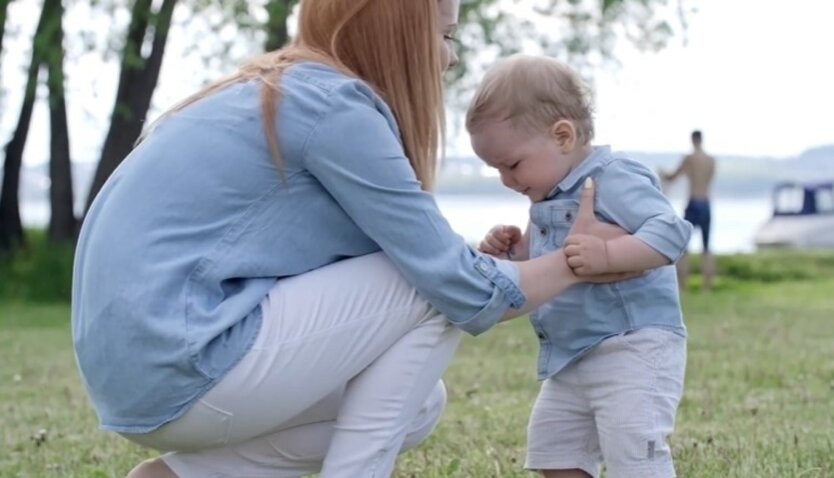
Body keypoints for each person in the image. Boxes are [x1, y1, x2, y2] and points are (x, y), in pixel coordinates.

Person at [71, 3, 635, 477]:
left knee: (418, 405)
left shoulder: (274, 90)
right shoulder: (333, 106)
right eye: (445, 35)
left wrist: (482, 265)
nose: (452, 56)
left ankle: (184, 477)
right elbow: (453, 286)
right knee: (426, 288)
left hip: (138, 376)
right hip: (185, 360)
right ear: (401, 30)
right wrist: (579, 259)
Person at [469, 55, 692, 478]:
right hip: (570, 356)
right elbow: (549, 267)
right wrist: (511, 255)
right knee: (553, 452)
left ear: (563, 136)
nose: (506, 180)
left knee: (634, 450)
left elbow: (670, 234)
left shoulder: (611, 177)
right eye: (495, 169)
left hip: (632, 345)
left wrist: (607, 256)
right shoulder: (545, 198)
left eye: (512, 164)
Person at [662, 130, 717, 291]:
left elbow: (673, 177)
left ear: (693, 140)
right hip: (706, 202)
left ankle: (683, 286)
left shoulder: (690, 158)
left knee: (684, 247)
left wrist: (662, 174)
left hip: (693, 202)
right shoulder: (711, 160)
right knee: (707, 247)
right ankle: (707, 287)